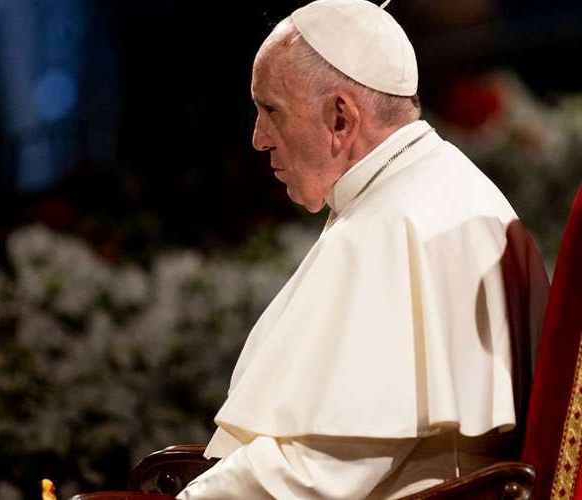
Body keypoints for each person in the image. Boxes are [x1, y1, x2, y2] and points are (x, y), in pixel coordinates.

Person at [177, 0, 549, 498]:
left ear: (340, 118)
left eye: (271, 111)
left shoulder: (396, 224)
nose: (258, 139)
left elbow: (317, 473)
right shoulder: (431, 187)